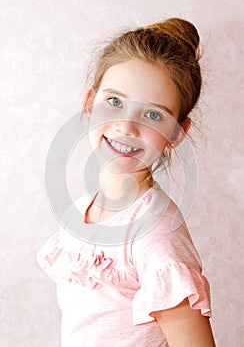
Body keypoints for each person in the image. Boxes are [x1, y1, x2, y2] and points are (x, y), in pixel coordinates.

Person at [37, 17, 216, 346]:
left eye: (153, 114)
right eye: (115, 102)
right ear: (90, 102)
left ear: (177, 132)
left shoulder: (156, 238)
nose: (126, 127)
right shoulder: (79, 212)